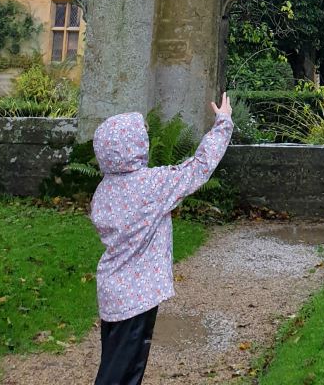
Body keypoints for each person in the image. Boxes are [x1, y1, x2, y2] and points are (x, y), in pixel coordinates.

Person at [90, 94, 234, 385]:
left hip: (112, 290)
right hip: (136, 297)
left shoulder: (104, 191)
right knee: (120, 373)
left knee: (119, 364)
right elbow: (198, 167)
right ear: (135, 147)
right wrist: (224, 123)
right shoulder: (151, 186)